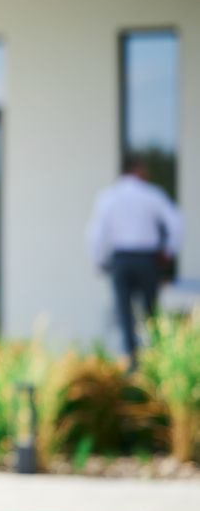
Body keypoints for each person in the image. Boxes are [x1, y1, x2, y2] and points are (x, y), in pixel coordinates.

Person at [87, 155, 182, 369]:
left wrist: (98, 261)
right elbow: (176, 223)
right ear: (137, 169)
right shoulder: (152, 194)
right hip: (147, 260)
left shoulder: (108, 197)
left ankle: (132, 363)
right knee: (150, 313)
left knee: (125, 314)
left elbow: (96, 234)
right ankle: (155, 361)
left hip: (121, 260)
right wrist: (168, 251)